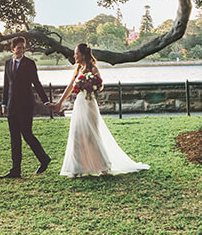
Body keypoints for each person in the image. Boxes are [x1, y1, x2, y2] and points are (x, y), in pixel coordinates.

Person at [50, 43, 149, 178]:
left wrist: (90, 86)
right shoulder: (78, 69)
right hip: (79, 104)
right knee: (77, 134)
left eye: (76, 53)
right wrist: (60, 102)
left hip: (89, 104)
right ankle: (76, 169)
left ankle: (103, 167)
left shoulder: (93, 68)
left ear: (82, 54)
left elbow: (100, 85)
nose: (74, 56)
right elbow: (70, 87)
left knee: (91, 135)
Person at [0, 36, 54, 179]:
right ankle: (15, 170)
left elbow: (36, 83)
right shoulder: (7, 64)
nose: (21, 50)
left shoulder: (30, 63)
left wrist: (46, 101)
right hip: (11, 106)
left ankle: (44, 159)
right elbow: (6, 85)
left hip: (26, 105)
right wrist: (4, 104)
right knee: (14, 139)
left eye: (23, 48)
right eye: (19, 48)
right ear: (13, 49)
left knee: (27, 135)